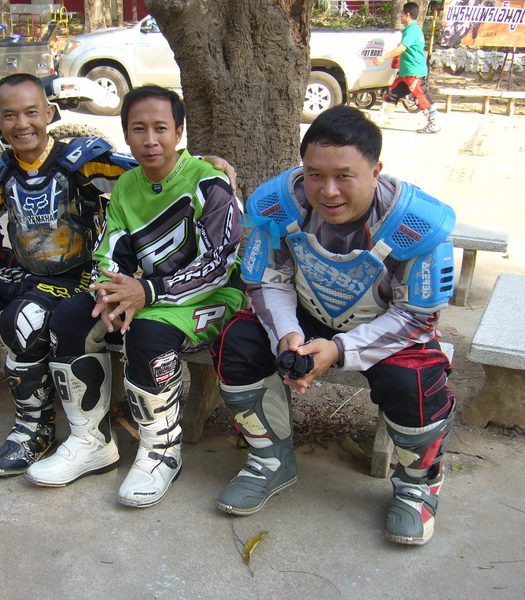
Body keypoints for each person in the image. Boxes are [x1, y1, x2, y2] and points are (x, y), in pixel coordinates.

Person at [0, 75, 236, 479]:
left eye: (31, 112)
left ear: (49, 114)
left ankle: (35, 428)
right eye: (9, 115)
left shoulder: (82, 160)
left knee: (26, 321)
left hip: (73, 278)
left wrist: (204, 160)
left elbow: (154, 167)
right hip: (24, 272)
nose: (21, 123)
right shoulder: (1, 170)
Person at [211, 105, 456, 546]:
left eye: (345, 176)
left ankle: (418, 484)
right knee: (237, 341)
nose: (328, 191)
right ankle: (270, 459)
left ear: (376, 171)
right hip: (306, 311)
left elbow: (415, 315)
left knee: (416, 382)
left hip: (386, 325)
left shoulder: (417, 226)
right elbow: (268, 278)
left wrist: (341, 350)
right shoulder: (280, 205)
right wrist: (288, 335)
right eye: (314, 175)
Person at [25, 85, 245, 508]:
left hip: (212, 295)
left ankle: (162, 450)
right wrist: (108, 293)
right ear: (125, 134)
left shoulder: (209, 182)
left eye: (161, 128)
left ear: (178, 132)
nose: (150, 139)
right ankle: (90, 442)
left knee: (147, 333)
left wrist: (148, 291)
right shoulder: (126, 185)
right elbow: (109, 250)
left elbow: (221, 262)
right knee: (72, 318)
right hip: (149, 291)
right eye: (138, 129)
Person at [372, 2, 441, 134]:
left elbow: (402, 48)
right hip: (406, 73)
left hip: (414, 73)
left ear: (407, 15)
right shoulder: (411, 29)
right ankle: (377, 123)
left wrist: (383, 58)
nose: (400, 16)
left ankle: (434, 124)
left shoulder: (412, 30)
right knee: (391, 95)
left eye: (402, 13)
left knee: (421, 98)